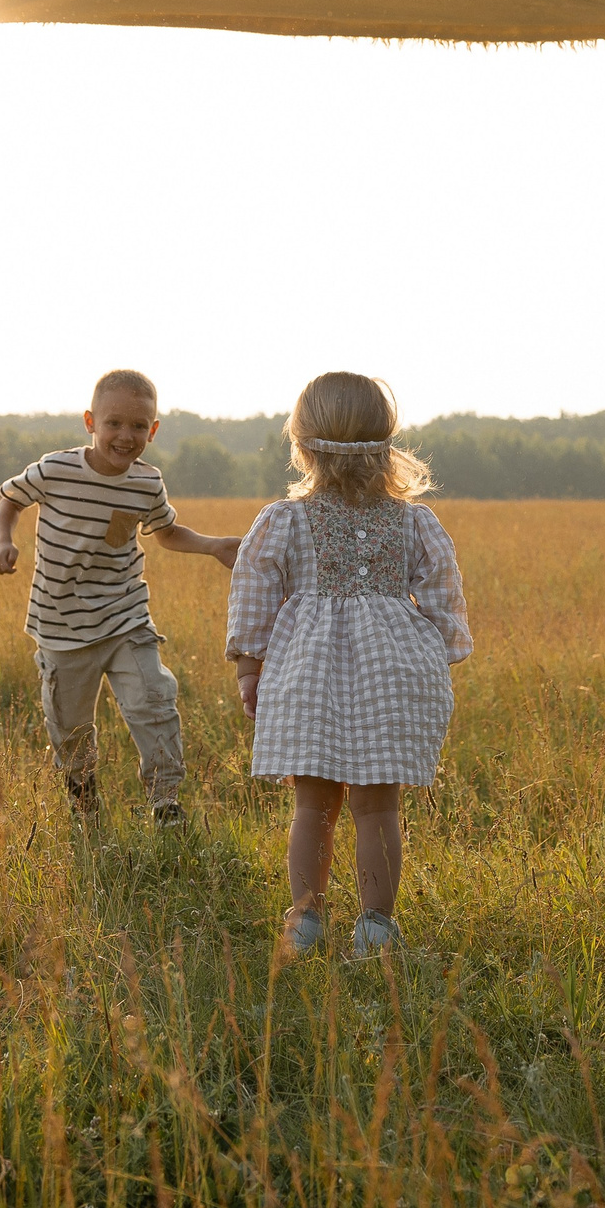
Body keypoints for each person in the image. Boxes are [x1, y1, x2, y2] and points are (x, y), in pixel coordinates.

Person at [224, 373, 471, 960]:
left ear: (302, 443)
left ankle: (306, 921)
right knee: (378, 806)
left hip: (306, 673)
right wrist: (437, 655)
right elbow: (443, 594)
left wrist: (249, 666)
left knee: (313, 805)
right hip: (393, 675)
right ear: (387, 441)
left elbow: (254, 593)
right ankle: (376, 926)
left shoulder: (284, 520)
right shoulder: (413, 521)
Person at [0, 370, 240, 826]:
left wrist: (213, 545)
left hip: (126, 617)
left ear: (153, 430)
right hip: (62, 626)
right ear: (90, 421)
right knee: (70, 729)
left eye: (139, 426)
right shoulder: (56, 469)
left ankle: (165, 802)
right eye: (114, 423)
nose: (126, 436)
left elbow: (166, 532)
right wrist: (4, 541)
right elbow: (10, 498)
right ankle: (83, 803)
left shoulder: (147, 483)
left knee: (153, 699)